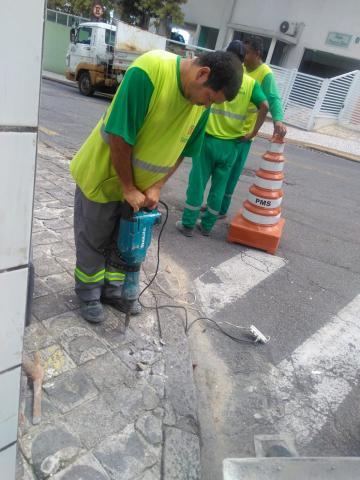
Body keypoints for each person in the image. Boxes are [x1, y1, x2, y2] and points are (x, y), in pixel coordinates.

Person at [70, 48, 242, 323]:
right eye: (209, 97)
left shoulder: (200, 109)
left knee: (123, 243)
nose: (207, 105)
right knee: (94, 238)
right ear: (202, 73)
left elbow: (183, 150)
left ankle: (113, 291)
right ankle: (88, 293)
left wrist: (158, 186)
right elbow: (119, 135)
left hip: (139, 192)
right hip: (102, 176)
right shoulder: (149, 72)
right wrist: (127, 186)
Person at [176, 40, 268, 237]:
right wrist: (253, 132)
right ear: (243, 60)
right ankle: (207, 226)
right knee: (219, 187)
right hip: (231, 146)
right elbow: (265, 106)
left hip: (207, 140)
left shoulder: (218, 76)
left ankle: (188, 224)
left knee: (197, 183)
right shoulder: (251, 84)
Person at [219, 36, 287, 218]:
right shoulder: (240, 67)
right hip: (227, 130)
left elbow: (272, 98)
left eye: (247, 52)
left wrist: (278, 119)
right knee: (220, 172)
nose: (244, 55)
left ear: (257, 54)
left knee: (232, 173)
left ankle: (221, 209)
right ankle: (213, 204)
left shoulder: (265, 73)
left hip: (244, 134)